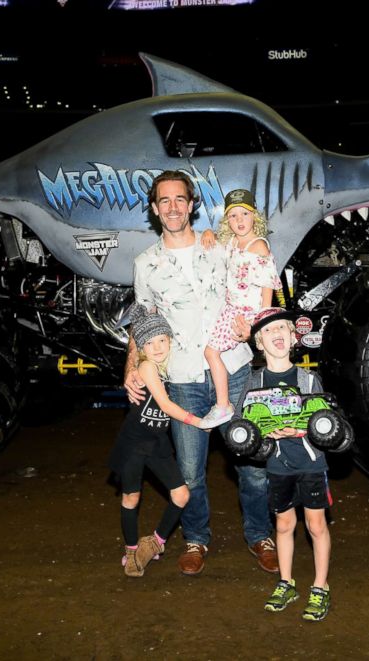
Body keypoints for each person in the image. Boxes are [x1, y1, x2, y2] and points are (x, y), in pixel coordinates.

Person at [124, 171, 278, 577]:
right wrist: (133, 369)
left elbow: (258, 276)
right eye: (164, 201)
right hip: (183, 378)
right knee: (190, 471)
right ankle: (195, 539)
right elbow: (143, 322)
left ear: (191, 205)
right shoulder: (146, 264)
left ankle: (260, 535)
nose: (173, 207)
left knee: (249, 459)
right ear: (155, 210)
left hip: (236, 366)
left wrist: (259, 323)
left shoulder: (221, 246)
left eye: (180, 199)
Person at [237, 307, 333, 621]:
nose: (276, 333)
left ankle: (320, 586)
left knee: (316, 525)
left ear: (294, 337)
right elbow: (242, 427)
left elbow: (327, 424)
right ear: (259, 344)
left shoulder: (308, 379)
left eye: (282, 328)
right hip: (278, 465)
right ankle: (286, 582)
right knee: (283, 525)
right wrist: (262, 437)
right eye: (268, 330)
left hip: (310, 462)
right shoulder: (254, 382)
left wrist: (304, 429)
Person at [110, 305, 201, 577]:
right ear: (141, 348)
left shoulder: (167, 367)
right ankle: (130, 549)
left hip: (158, 443)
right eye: (150, 342)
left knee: (182, 494)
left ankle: (155, 542)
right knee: (131, 497)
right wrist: (198, 422)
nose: (158, 346)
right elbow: (164, 404)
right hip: (134, 442)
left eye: (162, 340)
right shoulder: (147, 367)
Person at [197, 189, 282, 429]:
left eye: (244, 214)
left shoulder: (258, 247)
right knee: (213, 352)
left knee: (211, 352)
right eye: (233, 216)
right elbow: (217, 246)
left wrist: (259, 325)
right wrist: (207, 231)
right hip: (229, 308)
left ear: (255, 216)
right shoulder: (232, 241)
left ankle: (223, 405)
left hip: (245, 314)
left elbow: (268, 287)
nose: (239, 220)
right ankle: (225, 404)